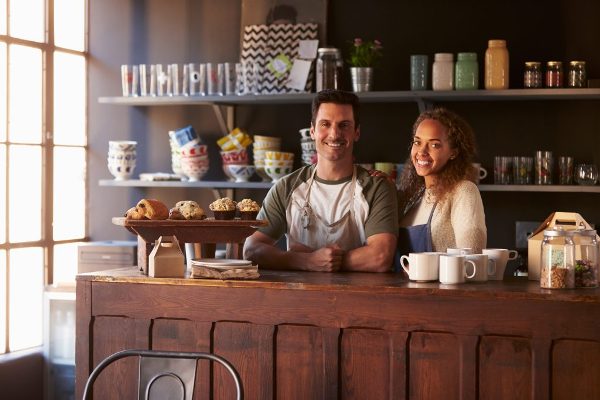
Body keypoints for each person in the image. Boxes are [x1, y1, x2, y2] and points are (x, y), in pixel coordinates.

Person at [244, 89, 399, 272]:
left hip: (359, 299)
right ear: (312, 131)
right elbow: (252, 250)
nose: (334, 134)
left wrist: (325, 260)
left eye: (344, 125)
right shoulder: (286, 188)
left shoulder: (377, 188)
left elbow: (380, 257)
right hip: (297, 298)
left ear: (356, 132)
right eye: (325, 124)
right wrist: (306, 261)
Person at [397, 107, 487, 255]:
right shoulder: (412, 197)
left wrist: (427, 270)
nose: (422, 152)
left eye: (434, 145)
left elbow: (472, 257)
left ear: (453, 152)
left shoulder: (463, 191)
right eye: (417, 142)